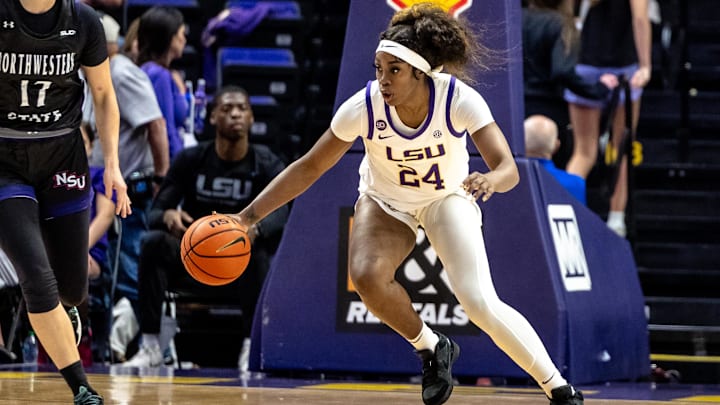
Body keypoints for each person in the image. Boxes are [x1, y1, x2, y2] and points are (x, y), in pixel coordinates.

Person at [230, 4, 584, 405]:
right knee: (365, 276)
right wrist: (246, 218)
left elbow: (508, 169)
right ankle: (432, 347)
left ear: (421, 72)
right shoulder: (364, 106)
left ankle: (557, 386)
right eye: (378, 68)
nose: (382, 79)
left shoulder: (458, 99)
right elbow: (310, 167)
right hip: (386, 201)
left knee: (479, 301)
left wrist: (490, 179)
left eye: (393, 70)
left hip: (446, 198)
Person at [0, 0, 132, 403]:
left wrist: (112, 165)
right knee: (36, 278)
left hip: (63, 155)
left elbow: (104, 94)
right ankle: (82, 390)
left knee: (71, 290)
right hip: (5, 158)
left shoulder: (84, 21)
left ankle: (65, 308)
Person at [123, 86, 289, 369]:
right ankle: (150, 346)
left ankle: (251, 346)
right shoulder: (191, 159)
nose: (235, 114)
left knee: (258, 252)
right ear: (212, 117)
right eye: (226, 109)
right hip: (194, 258)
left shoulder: (266, 162)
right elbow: (156, 212)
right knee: (153, 241)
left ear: (251, 118)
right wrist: (168, 217)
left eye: (242, 108)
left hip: (239, 264)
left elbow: (283, 212)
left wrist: (254, 230)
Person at [83, 11, 170, 363]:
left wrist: (161, 178)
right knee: (118, 273)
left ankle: (141, 347)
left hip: (128, 186)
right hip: (101, 183)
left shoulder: (123, 73)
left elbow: (157, 125)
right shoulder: (95, 73)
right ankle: (115, 347)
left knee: (131, 269)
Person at [564, 0, 651, 237]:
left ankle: (570, 214)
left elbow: (567, 12)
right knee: (621, 147)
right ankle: (616, 219)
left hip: (587, 60)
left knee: (584, 152)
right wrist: (646, 65)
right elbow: (640, 18)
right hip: (625, 66)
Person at [522, 0, 616, 169]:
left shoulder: (515, 19)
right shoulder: (560, 24)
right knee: (550, 174)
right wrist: (597, 89)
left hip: (517, 107)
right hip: (549, 111)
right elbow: (562, 71)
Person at [136, 6, 190, 161]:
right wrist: (181, 167)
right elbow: (166, 129)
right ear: (170, 37)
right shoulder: (159, 76)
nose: (184, 39)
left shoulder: (151, 70)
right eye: (181, 34)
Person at [525, 115, 587, 204]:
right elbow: (580, 217)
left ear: (521, 141)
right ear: (556, 146)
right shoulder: (575, 183)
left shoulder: (504, 182)